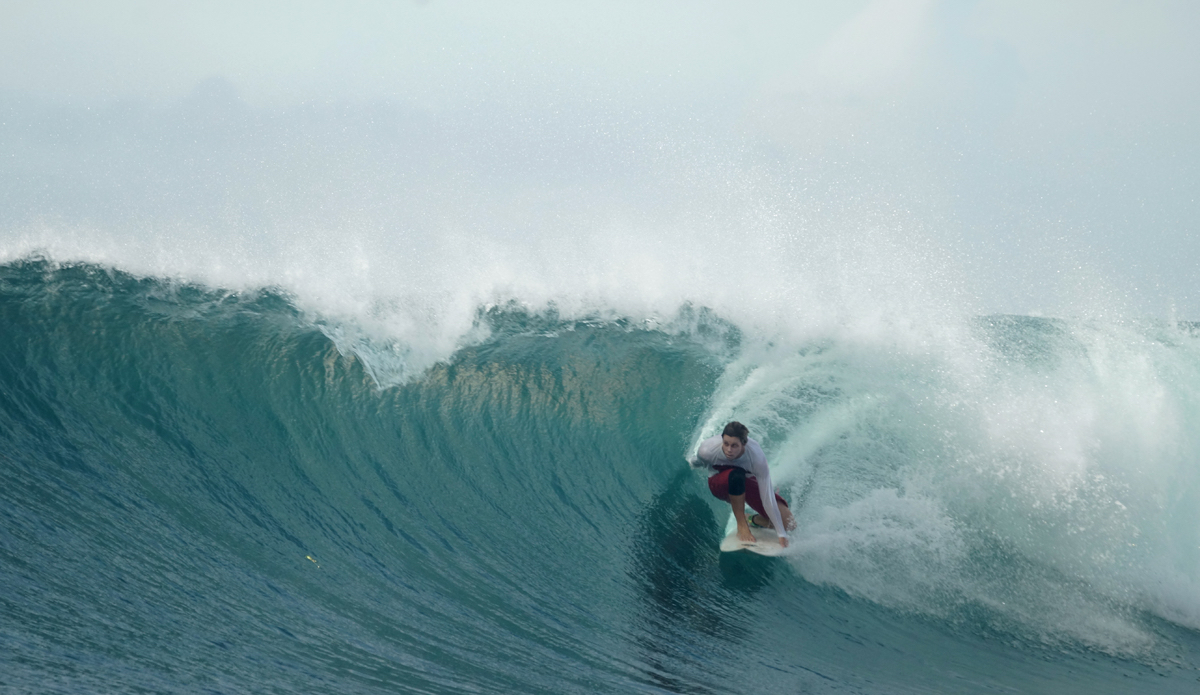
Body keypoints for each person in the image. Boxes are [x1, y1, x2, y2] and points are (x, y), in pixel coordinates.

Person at [692, 421, 795, 548]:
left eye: (734, 445)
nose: (729, 450)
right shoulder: (707, 450)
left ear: (744, 444)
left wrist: (781, 534)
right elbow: (698, 462)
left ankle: (752, 519)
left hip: (744, 483)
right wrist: (692, 463)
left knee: (789, 524)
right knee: (737, 476)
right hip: (719, 484)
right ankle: (742, 525)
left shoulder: (756, 458)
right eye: (726, 444)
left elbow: (767, 497)